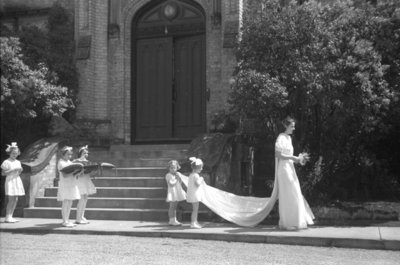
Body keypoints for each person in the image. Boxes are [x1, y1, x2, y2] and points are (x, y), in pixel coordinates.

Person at [275, 116, 314, 230]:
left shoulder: (289, 138)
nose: (294, 128)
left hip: (290, 168)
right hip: (283, 169)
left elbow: (289, 157)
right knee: (288, 194)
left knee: (295, 192)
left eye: (294, 126)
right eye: (292, 126)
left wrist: (299, 159)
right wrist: (293, 157)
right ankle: (287, 222)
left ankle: (295, 221)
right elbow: (278, 155)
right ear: (286, 126)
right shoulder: (281, 137)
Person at [57, 146, 81, 227]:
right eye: (68, 154)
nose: (69, 156)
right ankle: (64, 221)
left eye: (70, 155)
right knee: (66, 202)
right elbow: (64, 175)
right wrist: (74, 171)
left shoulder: (69, 162)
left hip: (71, 183)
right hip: (65, 184)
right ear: (63, 154)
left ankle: (67, 220)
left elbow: (72, 173)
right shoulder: (61, 163)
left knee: (70, 202)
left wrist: (78, 172)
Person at [1, 142, 25, 223]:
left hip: (16, 180)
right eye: (13, 153)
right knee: (11, 199)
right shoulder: (6, 162)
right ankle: (7, 217)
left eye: (16, 153)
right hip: (10, 180)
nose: (14, 155)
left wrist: (20, 170)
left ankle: (11, 216)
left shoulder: (18, 162)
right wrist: (13, 170)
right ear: (9, 153)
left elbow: (18, 173)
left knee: (16, 199)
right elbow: (3, 173)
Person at [73, 145, 97, 224]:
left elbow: (89, 171)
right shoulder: (76, 161)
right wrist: (81, 171)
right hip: (80, 180)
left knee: (85, 198)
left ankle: (82, 216)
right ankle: (78, 218)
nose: (85, 154)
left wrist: (92, 172)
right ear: (80, 153)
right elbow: (74, 172)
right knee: (81, 199)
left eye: (86, 153)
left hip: (86, 180)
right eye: (84, 152)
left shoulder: (88, 162)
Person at [165, 160, 186, 226]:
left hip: (177, 191)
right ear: (169, 168)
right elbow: (171, 184)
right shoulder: (168, 175)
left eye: (174, 167)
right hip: (172, 192)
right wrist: (176, 179)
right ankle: (171, 220)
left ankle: (174, 220)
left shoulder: (178, 174)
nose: (173, 169)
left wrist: (179, 178)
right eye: (171, 167)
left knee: (175, 207)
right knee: (172, 207)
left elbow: (181, 182)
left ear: (177, 168)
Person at [186, 157, 204, 229]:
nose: (201, 169)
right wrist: (201, 179)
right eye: (200, 168)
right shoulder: (196, 175)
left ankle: (195, 221)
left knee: (195, 209)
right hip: (195, 195)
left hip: (192, 194)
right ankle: (193, 223)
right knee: (195, 209)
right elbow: (197, 184)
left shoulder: (191, 175)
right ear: (196, 168)